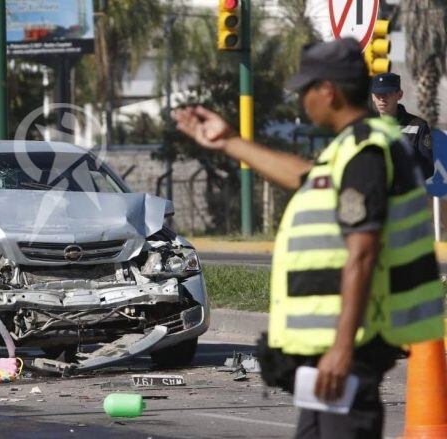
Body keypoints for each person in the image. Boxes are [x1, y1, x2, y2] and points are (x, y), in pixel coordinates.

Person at [174, 37, 444, 439]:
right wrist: (229, 141)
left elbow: (363, 256)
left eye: (305, 91)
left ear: (328, 91)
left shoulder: (367, 153)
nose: (302, 102)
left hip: (348, 349)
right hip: (331, 352)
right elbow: (305, 177)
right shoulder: (351, 148)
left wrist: (341, 349)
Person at [371, 72, 434, 178]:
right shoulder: (366, 125)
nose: (382, 98)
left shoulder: (418, 126)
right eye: (378, 94)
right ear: (372, 96)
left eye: (387, 93)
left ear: (399, 95)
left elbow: (427, 169)